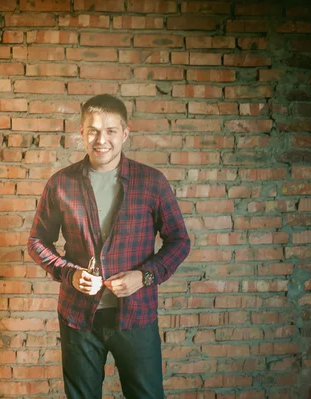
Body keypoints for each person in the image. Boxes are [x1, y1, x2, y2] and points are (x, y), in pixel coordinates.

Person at [27, 94, 191, 399]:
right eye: (93, 130)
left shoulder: (152, 182)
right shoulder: (60, 183)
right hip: (78, 317)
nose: (101, 140)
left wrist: (143, 277)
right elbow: (37, 242)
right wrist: (69, 273)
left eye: (110, 131)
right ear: (81, 133)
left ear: (125, 133)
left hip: (137, 315)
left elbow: (179, 241)